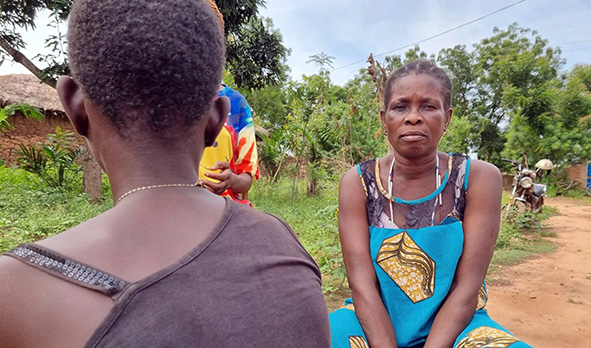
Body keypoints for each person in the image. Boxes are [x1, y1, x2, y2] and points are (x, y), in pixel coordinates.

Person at [0, 0, 330, 347]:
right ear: (217, 119)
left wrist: (233, 180)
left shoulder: (16, 291)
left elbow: (247, 177)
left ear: (75, 108)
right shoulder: (282, 246)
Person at [329, 60, 532, 348]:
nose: (413, 117)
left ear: (447, 118)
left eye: (428, 106)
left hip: (456, 324)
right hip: (372, 320)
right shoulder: (358, 183)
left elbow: (467, 285)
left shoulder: (477, 178)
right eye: (401, 107)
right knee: (314, 336)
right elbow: (361, 285)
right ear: (384, 118)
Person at [199, 84, 259, 206]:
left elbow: (246, 180)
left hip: (221, 207)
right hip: (173, 204)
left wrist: (231, 181)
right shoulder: (164, 95)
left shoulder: (237, 103)